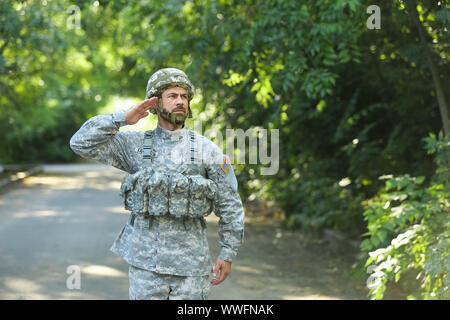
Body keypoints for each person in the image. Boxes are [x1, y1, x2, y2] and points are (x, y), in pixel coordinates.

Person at [69, 68, 245, 300]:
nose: (180, 101)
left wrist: (228, 252)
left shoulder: (206, 149)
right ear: (155, 102)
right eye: (172, 96)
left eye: (184, 96)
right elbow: (80, 143)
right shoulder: (135, 146)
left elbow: (230, 203)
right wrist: (122, 118)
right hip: (146, 268)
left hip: (191, 269)